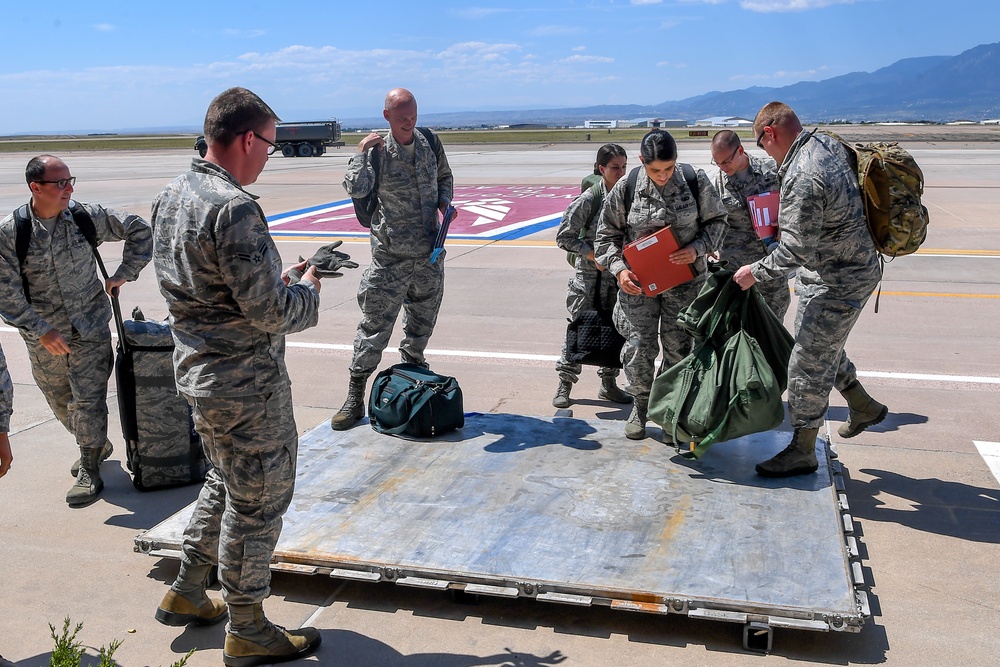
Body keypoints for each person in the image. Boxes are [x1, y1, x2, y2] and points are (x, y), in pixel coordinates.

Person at [151, 87, 323, 665]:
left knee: (226, 483)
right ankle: (247, 625)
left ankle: (189, 589)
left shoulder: (173, 195)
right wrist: (306, 293)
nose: (269, 156)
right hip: (248, 386)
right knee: (261, 503)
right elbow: (269, 312)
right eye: (270, 145)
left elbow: (211, 286)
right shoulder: (235, 207)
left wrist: (280, 279)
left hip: (201, 377)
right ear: (248, 138)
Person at [734, 101, 888, 478]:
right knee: (816, 342)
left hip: (841, 276)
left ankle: (802, 450)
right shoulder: (825, 142)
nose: (764, 152)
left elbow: (794, 250)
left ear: (770, 133)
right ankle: (861, 402)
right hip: (832, 268)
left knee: (804, 361)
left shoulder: (803, 173)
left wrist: (754, 272)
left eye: (760, 144)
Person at [0, 155, 151, 508]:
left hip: (91, 325)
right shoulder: (11, 233)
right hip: (45, 335)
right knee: (60, 400)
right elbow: (5, 293)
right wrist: (41, 330)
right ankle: (95, 443)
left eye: (71, 181)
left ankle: (89, 465)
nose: (69, 189)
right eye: (60, 183)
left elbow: (138, 228)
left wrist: (124, 273)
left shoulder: (86, 217)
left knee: (88, 399)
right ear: (36, 187)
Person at [331, 87, 455, 430]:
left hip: (429, 255)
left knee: (421, 328)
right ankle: (355, 397)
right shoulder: (376, 151)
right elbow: (355, 189)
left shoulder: (429, 141)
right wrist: (359, 153)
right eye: (402, 119)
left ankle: (414, 386)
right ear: (387, 116)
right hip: (390, 258)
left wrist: (444, 203)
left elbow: (445, 177)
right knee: (374, 328)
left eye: (414, 117)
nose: (409, 124)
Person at [595, 129, 728, 441]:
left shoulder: (693, 181)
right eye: (656, 170)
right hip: (638, 285)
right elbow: (605, 236)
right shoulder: (627, 187)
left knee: (679, 349)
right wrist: (619, 270)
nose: (664, 176)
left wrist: (697, 248)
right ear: (642, 162)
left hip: (684, 284)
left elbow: (718, 222)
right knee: (639, 347)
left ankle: (670, 411)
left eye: (669, 168)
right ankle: (640, 406)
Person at [552, 144, 631, 408]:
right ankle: (564, 383)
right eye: (614, 167)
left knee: (616, 329)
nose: (620, 172)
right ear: (601, 169)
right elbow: (564, 237)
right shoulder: (589, 199)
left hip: (617, 276)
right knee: (579, 327)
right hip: (589, 279)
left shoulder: (627, 197)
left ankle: (609, 385)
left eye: (623, 166)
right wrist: (591, 254)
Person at [710, 130, 791, 319]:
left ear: (740, 150)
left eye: (726, 161)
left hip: (770, 266)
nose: (722, 167)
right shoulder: (716, 184)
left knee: (772, 327)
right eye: (717, 162)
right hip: (737, 271)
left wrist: (784, 223)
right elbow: (710, 220)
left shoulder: (772, 170)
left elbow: (793, 204)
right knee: (739, 332)